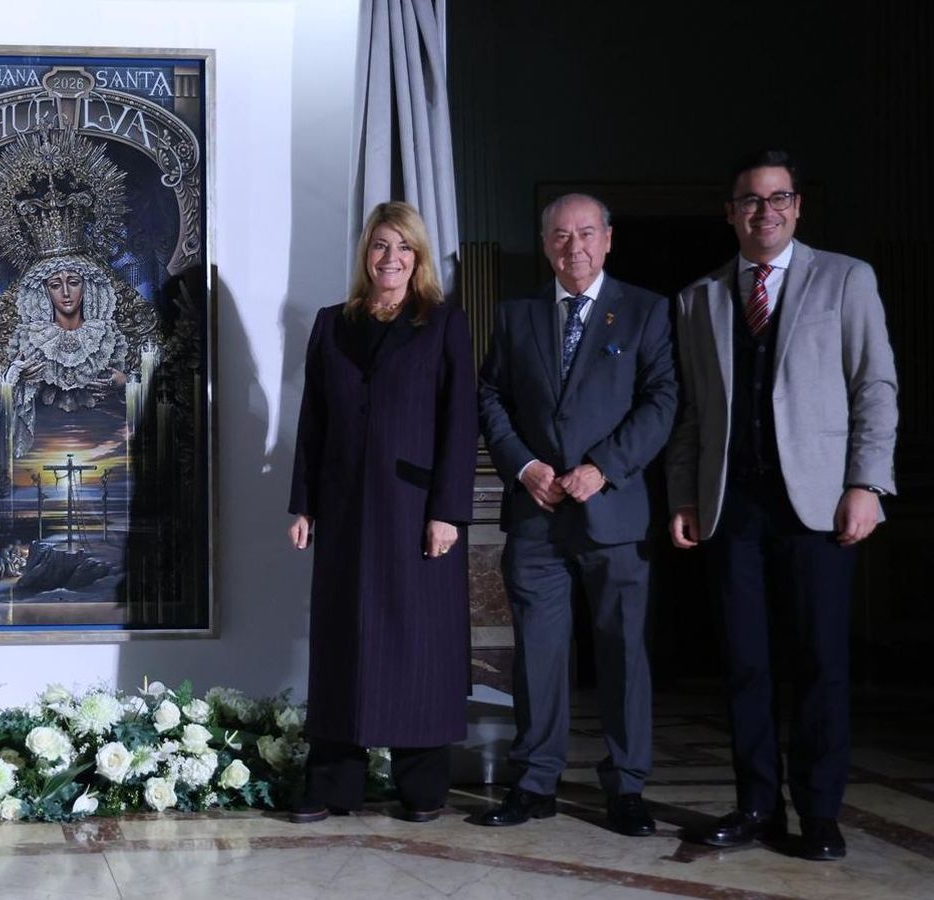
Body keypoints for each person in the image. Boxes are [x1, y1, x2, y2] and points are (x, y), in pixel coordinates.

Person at [667, 151, 897, 862]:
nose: (764, 211)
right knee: (745, 664)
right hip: (732, 505)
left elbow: (875, 386)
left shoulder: (846, 278)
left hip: (820, 505)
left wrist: (868, 483)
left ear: (797, 207)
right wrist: (682, 494)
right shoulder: (698, 297)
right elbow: (691, 416)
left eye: (778, 198)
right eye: (749, 200)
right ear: (730, 212)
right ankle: (757, 804)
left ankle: (820, 813)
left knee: (821, 662)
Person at [475, 194, 676, 837]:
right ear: (545, 245)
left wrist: (604, 467)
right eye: (561, 236)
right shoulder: (515, 316)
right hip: (536, 517)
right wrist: (524, 466)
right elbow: (491, 396)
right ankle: (535, 783)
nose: (575, 247)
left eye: (587, 234)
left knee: (623, 655)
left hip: (614, 516)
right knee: (537, 656)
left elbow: (663, 399)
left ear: (609, 239)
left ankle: (626, 788)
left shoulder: (646, 310)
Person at [286, 201, 477, 823]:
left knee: (417, 643)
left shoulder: (443, 324)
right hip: (343, 510)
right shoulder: (330, 324)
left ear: (417, 257)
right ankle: (333, 784)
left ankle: (422, 788)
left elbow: (459, 421)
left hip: (416, 510)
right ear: (364, 254)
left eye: (402, 248)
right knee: (343, 640)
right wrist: (303, 503)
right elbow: (312, 421)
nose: (389, 259)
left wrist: (448, 509)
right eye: (378, 246)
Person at [0, 253, 129, 456]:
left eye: (74, 282)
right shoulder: (30, 339)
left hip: (105, 444)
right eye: (55, 285)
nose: (66, 293)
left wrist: (125, 384)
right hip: (43, 448)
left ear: (88, 287)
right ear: (44, 291)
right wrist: (16, 377)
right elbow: (3, 394)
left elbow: (145, 391)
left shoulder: (108, 337)